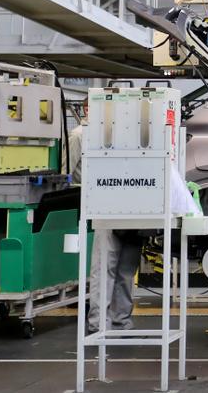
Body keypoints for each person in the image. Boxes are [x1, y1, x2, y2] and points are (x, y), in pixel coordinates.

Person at [73, 101, 143, 335]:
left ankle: (120, 322)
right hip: (103, 207)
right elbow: (68, 172)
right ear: (87, 110)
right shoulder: (80, 135)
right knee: (104, 268)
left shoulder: (126, 136)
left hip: (133, 209)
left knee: (125, 270)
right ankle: (98, 323)